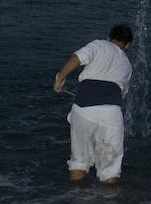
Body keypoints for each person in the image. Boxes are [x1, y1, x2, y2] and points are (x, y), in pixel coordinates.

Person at [53, 24, 134, 184]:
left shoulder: (99, 45)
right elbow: (121, 94)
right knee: (110, 169)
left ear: (108, 37)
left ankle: (76, 202)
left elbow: (75, 59)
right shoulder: (127, 65)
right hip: (111, 114)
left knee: (79, 161)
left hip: (84, 109)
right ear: (128, 45)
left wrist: (60, 79)